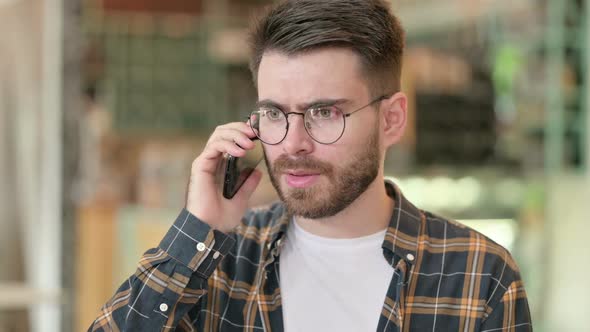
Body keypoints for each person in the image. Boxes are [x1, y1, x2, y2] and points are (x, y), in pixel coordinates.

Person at [89, 0, 532, 331]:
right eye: (275, 113)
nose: (294, 144)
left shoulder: (478, 274)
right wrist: (197, 228)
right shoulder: (220, 263)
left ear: (391, 119)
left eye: (325, 113)